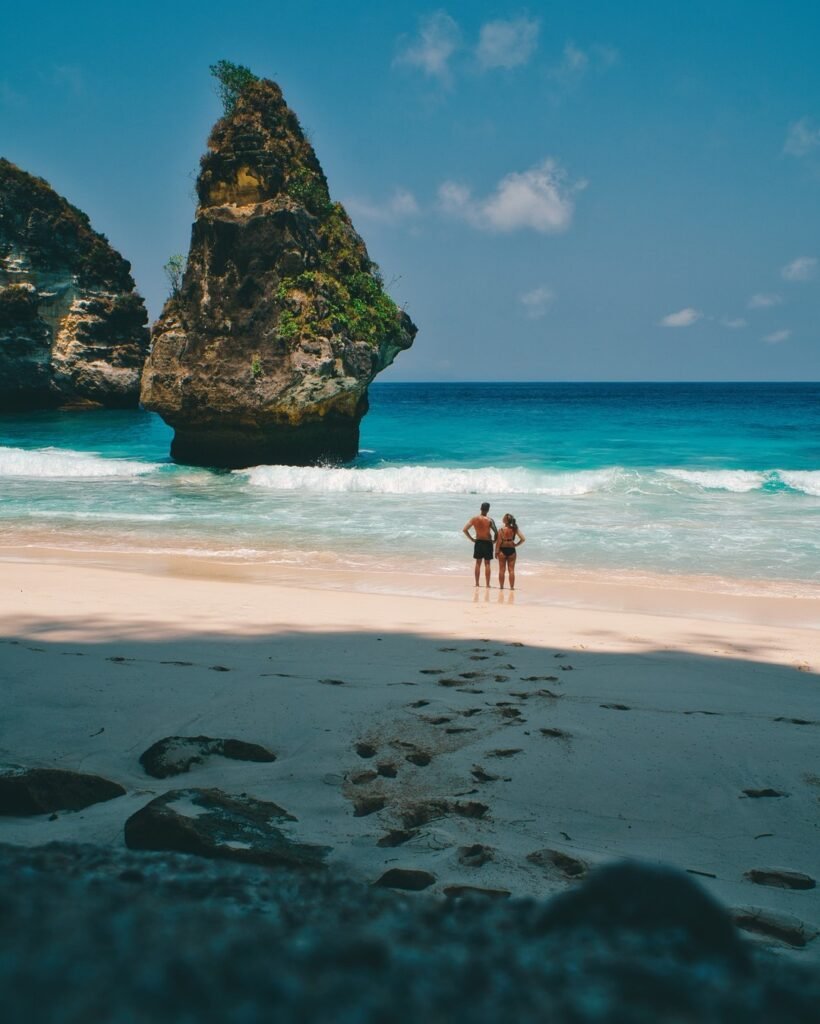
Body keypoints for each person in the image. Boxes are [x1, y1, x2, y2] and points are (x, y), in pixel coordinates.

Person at [463, 501, 497, 587]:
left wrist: (471, 539)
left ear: (480, 508)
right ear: (488, 510)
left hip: (478, 542)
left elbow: (465, 529)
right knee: (487, 564)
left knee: (478, 563)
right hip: (488, 542)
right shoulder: (490, 520)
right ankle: (487, 584)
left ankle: (477, 583)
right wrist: (495, 541)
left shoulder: (474, 519)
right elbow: (496, 532)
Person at [495, 512, 525, 590]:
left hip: (502, 550)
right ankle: (512, 587)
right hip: (512, 550)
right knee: (511, 570)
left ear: (505, 520)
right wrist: (516, 545)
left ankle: (501, 587)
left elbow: (499, 542)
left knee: (502, 570)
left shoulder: (501, 530)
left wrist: (496, 551)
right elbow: (523, 539)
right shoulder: (514, 529)